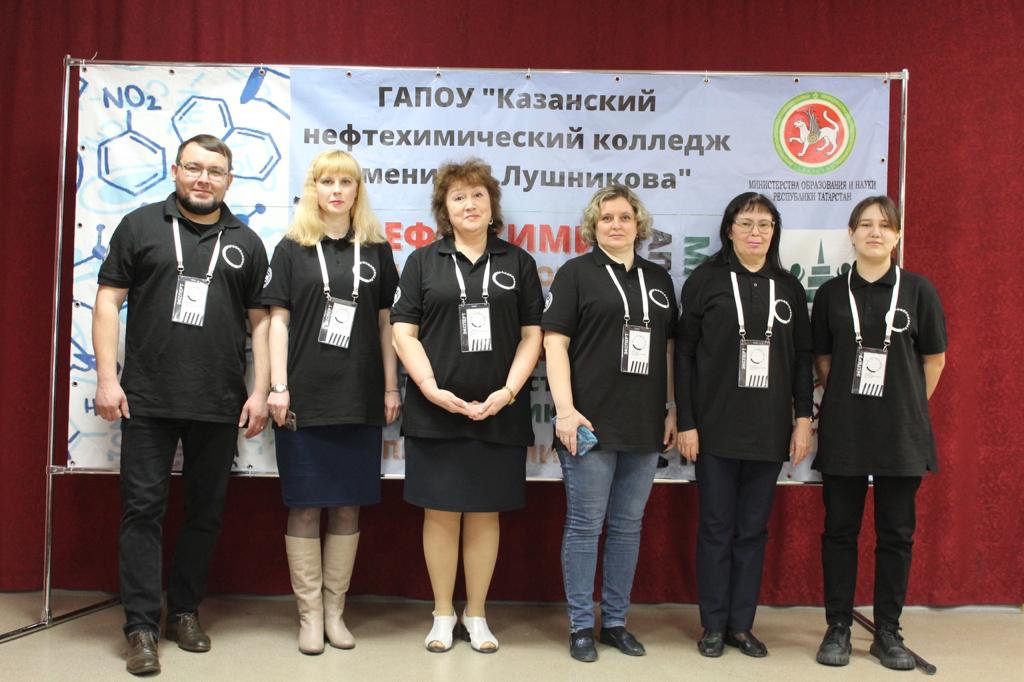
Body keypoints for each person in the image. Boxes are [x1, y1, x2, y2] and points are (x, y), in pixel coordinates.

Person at [93, 134, 270, 676]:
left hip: (218, 400)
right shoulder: (141, 225)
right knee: (142, 510)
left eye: (215, 171)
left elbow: (262, 323)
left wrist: (260, 391)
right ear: (175, 170)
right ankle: (141, 626)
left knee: (205, 512)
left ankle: (185, 612)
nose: (203, 178)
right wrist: (107, 379)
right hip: (146, 398)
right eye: (194, 167)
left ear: (229, 180)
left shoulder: (247, 241)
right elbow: (107, 302)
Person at [391, 158, 543, 654]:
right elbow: (403, 332)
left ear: (492, 205)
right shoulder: (422, 261)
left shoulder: (517, 262)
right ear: (445, 209)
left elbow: (533, 335)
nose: (470, 204)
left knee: (484, 513)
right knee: (439, 513)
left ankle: (476, 614)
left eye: (478, 195)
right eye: (458, 197)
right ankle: (441, 613)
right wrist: (430, 387)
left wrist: (509, 392)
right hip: (435, 410)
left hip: (499, 411)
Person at [263, 150, 400, 654]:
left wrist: (390, 387)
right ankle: (309, 616)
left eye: (346, 181)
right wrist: (278, 386)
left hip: (359, 396)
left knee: (347, 506)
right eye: (327, 181)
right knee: (304, 506)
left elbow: (387, 325)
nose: (337, 190)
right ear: (313, 189)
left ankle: (335, 612)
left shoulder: (378, 250)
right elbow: (277, 322)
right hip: (302, 397)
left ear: (357, 190)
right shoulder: (291, 248)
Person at [543, 185, 678, 663]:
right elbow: (554, 344)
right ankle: (581, 625)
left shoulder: (658, 279)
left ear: (638, 224)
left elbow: (667, 348)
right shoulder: (576, 273)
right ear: (593, 227)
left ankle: (616, 622)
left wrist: (672, 407)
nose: (616, 225)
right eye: (606, 218)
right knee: (585, 526)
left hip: (644, 423)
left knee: (627, 527)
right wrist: (564, 410)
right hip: (588, 422)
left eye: (624, 217)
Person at [675, 192, 813, 659]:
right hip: (714, 428)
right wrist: (687, 421)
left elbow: (802, 360)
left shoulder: (788, 287)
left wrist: (802, 420)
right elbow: (685, 355)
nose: (756, 232)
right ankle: (713, 626)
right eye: (747, 223)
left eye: (765, 225)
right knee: (716, 528)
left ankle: (741, 625)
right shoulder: (706, 280)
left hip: (769, 430)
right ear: (729, 229)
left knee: (752, 531)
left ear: (775, 232)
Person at [811, 196, 946, 670]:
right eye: (865, 224)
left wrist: (905, 405)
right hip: (845, 430)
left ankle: (887, 630)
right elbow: (823, 360)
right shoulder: (831, 293)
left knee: (896, 534)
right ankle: (838, 626)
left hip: (901, 433)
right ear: (850, 234)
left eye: (885, 225)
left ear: (897, 235)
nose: (875, 232)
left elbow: (934, 360)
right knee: (839, 532)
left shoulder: (919, 290)